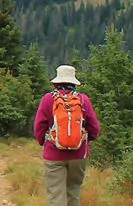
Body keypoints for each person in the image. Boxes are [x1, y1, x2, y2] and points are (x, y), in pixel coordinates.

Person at [33, 65, 100, 206]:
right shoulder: (83, 100)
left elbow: (39, 126)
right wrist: (86, 142)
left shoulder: (47, 99)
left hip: (53, 155)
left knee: (55, 196)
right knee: (73, 192)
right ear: (74, 82)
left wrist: (43, 142)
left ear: (56, 83)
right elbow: (94, 127)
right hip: (79, 154)